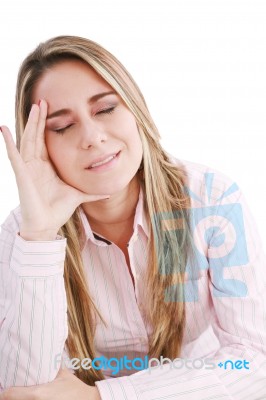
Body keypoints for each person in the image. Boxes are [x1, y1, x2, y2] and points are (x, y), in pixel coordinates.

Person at [0, 35, 265, 400]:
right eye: (62, 127)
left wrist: (102, 397)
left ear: (135, 108)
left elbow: (254, 361)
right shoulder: (23, 235)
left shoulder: (212, 200)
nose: (92, 137)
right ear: (40, 145)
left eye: (106, 109)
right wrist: (41, 236)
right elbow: (24, 390)